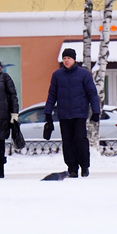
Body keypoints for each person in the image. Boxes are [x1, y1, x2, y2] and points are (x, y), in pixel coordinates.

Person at [44, 48, 101, 178]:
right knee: (67, 142)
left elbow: (92, 93)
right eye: (64, 58)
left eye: (68, 58)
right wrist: (48, 112)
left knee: (80, 140)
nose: (66, 61)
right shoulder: (57, 75)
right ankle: (72, 168)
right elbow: (52, 94)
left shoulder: (84, 74)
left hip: (79, 113)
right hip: (64, 114)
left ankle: (84, 166)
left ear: (74, 59)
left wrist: (96, 111)